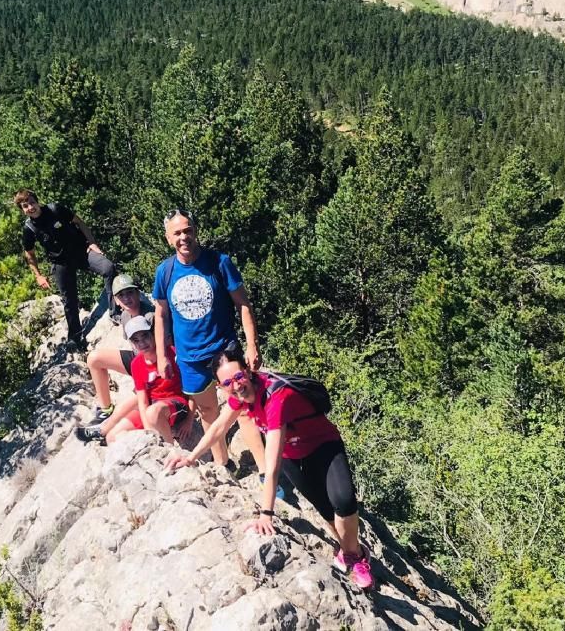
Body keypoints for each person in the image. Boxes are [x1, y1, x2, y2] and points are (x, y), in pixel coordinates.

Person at [163, 346, 374, 591]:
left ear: (248, 371)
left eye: (239, 376)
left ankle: (357, 556)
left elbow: (271, 465)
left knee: (343, 500)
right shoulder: (239, 398)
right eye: (229, 382)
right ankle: (348, 551)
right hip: (292, 455)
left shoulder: (277, 398)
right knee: (325, 508)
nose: (237, 385)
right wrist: (192, 457)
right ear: (221, 387)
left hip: (322, 444)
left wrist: (266, 514)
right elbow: (218, 428)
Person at [153, 210, 263, 468]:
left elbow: (243, 304)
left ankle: (264, 470)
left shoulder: (219, 262)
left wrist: (252, 344)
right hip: (190, 358)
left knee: (244, 409)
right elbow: (160, 314)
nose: (184, 237)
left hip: (224, 352)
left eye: (188, 230)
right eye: (177, 233)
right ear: (168, 238)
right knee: (209, 413)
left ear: (196, 231)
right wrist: (161, 356)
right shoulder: (165, 272)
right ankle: (223, 464)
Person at [15, 189, 117, 351]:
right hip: (60, 262)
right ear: (22, 210)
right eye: (25, 206)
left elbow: (79, 222)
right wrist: (38, 276)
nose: (30, 208)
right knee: (69, 301)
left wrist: (91, 242)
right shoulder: (29, 229)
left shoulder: (55, 210)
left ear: (37, 201)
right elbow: (29, 254)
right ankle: (75, 337)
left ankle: (115, 311)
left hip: (81, 252)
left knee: (108, 268)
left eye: (32, 203)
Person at [90, 316, 189, 445]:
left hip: (177, 403)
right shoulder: (136, 364)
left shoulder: (172, 353)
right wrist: (149, 432)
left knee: (153, 412)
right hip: (152, 406)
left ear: (153, 334)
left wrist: (189, 420)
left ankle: (170, 450)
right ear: (132, 343)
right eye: (136, 340)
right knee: (112, 437)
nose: (142, 343)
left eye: (145, 336)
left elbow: (193, 389)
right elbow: (142, 401)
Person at [84, 273, 156, 425]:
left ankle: (106, 427)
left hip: (155, 366)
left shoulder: (151, 316)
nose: (127, 298)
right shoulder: (125, 316)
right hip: (138, 360)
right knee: (94, 359)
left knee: (134, 402)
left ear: (138, 293)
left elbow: (163, 350)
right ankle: (106, 409)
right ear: (116, 301)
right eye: (121, 295)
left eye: (130, 292)